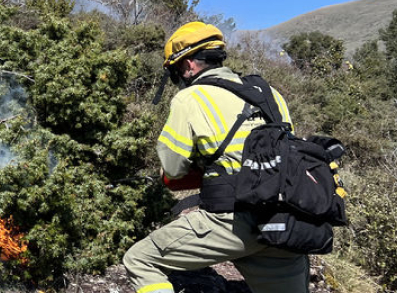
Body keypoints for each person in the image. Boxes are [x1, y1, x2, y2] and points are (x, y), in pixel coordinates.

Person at [122, 21, 309, 293]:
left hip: (234, 220)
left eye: (175, 73)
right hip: (285, 219)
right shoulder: (269, 93)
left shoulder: (190, 98)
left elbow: (173, 169)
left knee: (140, 260)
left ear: (187, 65)